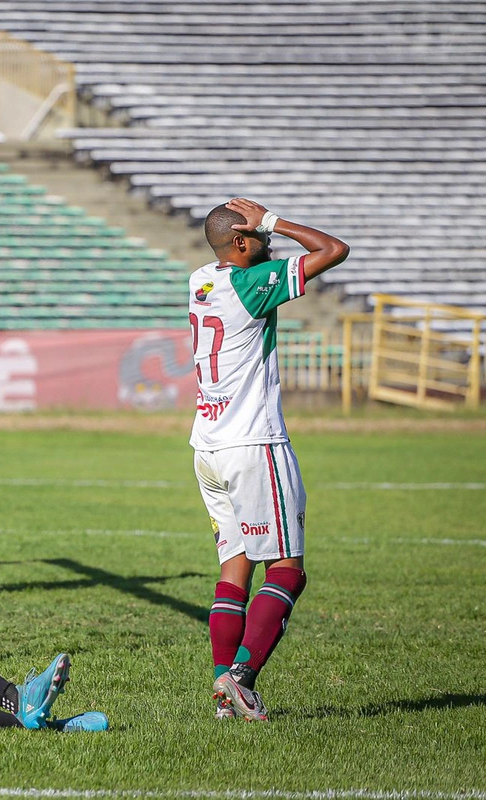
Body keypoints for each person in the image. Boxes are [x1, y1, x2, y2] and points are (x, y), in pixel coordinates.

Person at [189, 198, 349, 721]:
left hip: (207, 445)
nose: (268, 241)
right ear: (239, 243)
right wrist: (273, 218)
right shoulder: (251, 284)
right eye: (258, 236)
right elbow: (333, 250)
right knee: (287, 569)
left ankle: (222, 690)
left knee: (235, 567)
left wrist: (259, 231)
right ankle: (242, 678)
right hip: (253, 444)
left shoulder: (200, 279)